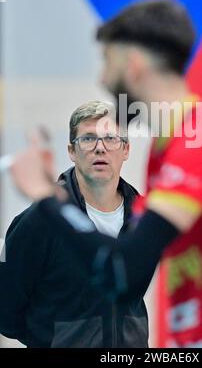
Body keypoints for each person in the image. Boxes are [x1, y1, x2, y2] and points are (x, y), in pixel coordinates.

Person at [10, 0, 202, 347]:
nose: (102, 77)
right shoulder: (169, 150)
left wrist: (46, 198)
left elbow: (122, 272)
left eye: (107, 61)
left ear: (133, 65)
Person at [0, 100, 149, 348]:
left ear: (126, 149)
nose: (100, 148)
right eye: (88, 139)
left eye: (110, 138)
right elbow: (5, 310)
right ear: (71, 151)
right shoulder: (39, 221)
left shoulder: (143, 217)